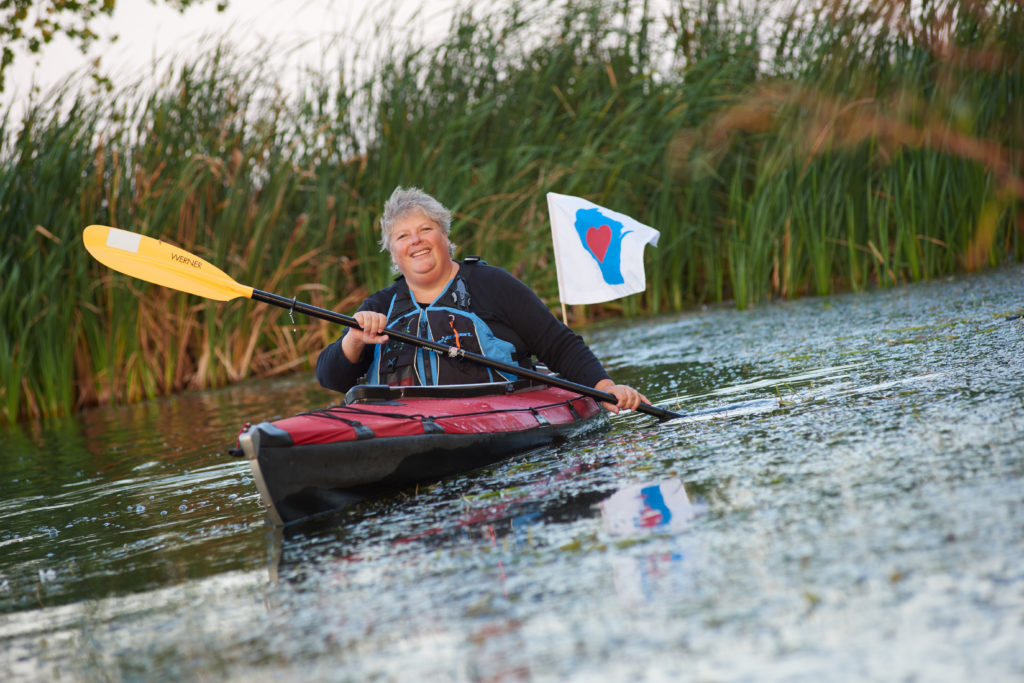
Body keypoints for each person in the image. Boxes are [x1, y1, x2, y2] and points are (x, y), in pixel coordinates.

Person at [315, 186, 650, 413]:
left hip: (493, 415)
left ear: (445, 237)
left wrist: (606, 387)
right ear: (394, 254)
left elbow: (558, 345)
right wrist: (354, 340)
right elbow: (331, 378)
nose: (416, 241)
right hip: (400, 424)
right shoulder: (379, 306)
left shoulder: (492, 285)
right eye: (403, 236)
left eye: (426, 229)